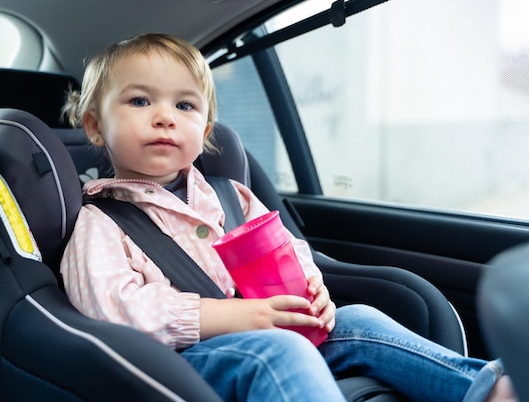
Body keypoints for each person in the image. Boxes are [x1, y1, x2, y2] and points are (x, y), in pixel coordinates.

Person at [60, 33, 516, 402]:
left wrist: (311, 290)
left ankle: (488, 389)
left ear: (205, 128)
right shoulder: (101, 222)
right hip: (180, 366)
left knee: (360, 320)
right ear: (96, 125)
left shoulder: (230, 195)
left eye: (185, 106)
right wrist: (232, 316)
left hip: (268, 327)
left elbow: (286, 253)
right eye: (140, 101)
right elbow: (114, 312)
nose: (164, 118)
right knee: (278, 350)